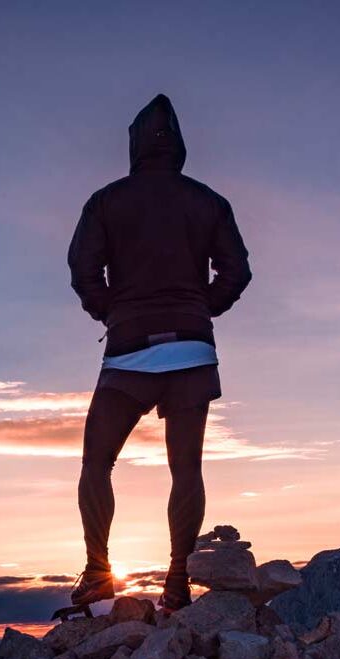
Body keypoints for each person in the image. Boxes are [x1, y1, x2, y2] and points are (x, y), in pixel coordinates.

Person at [67, 93, 252, 613]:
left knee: (97, 462)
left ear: (134, 144)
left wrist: (112, 312)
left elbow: (83, 270)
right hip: (192, 348)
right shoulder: (209, 201)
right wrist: (201, 308)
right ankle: (177, 581)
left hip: (129, 350)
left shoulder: (105, 201)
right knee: (186, 468)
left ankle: (98, 572)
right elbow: (236, 271)